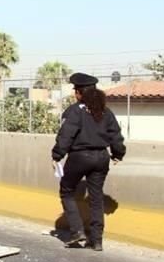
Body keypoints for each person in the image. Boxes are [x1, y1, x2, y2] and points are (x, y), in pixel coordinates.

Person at [51, 72, 126, 251]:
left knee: (67, 191)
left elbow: (66, 135)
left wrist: (57, 155)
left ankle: (77, 231)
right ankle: (96, 240)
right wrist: (118, 154)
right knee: (96, 197)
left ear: (79, 93)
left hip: (79, 157)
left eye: (75, 91)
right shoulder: (105, 111)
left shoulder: (75, 111)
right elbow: (116, 135)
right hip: (102, 157)